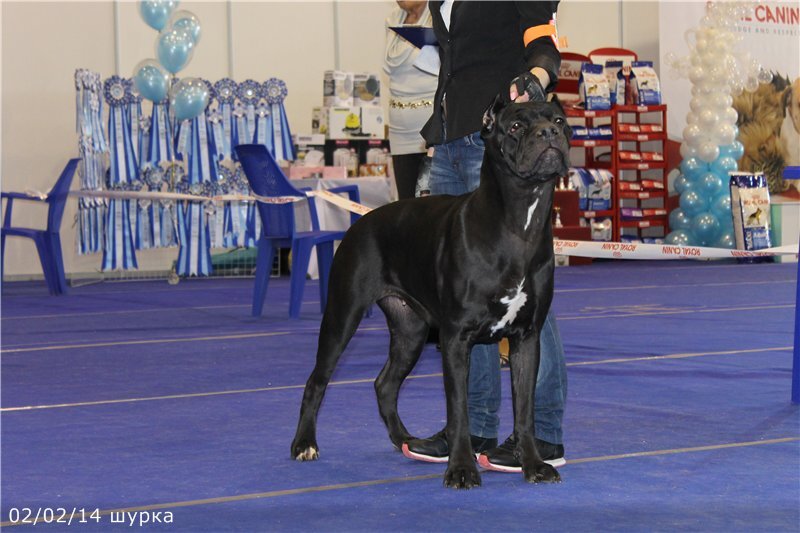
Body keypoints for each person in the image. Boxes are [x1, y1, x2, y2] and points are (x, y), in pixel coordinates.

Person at [403, 0, 568, 472]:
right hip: (451, 143)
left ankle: (542, 435)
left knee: (526, 295)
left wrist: (536, 77)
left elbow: (542, 39)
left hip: (499, 145)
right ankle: (473, 428)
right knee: (464, 302)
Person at [383, 1, 439, 200]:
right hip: (399, 129)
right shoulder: (393, 18)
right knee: (406, 203)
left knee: (431, 202)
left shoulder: (438, 14)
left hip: (430, 125)